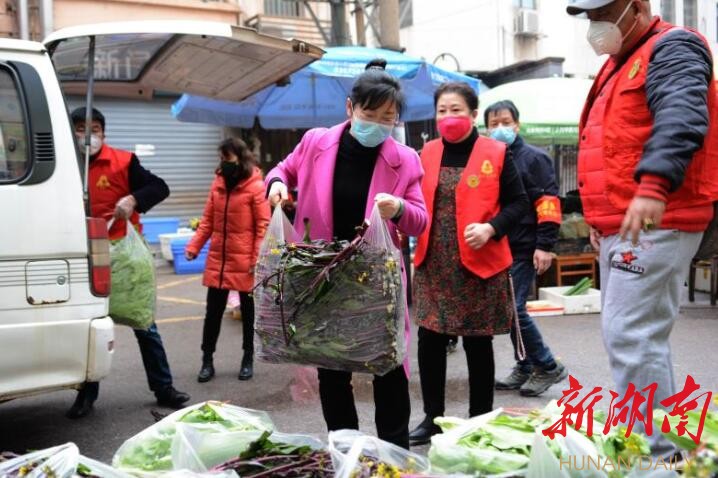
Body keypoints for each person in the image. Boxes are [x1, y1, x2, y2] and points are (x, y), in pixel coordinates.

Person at [567, 0, 718, 457]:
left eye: (602, 14)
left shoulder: (673, 47)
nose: (595, 26)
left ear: (637, 8)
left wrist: (654, 184)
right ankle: (667, 448)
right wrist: (601, 220)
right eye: (588, 18)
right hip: (626, 223)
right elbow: (613, 145)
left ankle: (656, 457)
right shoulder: (619, 65)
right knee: (638, 337)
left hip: (658, 214)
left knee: (630, 334)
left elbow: (683, 113)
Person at [265, 59, 428, 449]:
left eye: (387, 117)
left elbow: (420, 221)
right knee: (333, 370)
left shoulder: (405, 160)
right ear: (350, 108)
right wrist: (274, 186)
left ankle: (394, 456)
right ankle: (345, 451)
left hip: (375, 280)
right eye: (369, 114)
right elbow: (281, 171)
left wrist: (400, 210)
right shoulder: (315, 142)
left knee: (388, 369)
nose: (377, 124)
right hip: (322, 274)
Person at [408, 82, 529, 445]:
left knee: (478, 344)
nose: (449, 116)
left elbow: (520, 204)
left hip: (480, 265)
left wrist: (493, 227)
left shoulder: (497, 152)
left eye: (456, 109)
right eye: (442, 110)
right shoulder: (425, 154)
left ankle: (481, 419)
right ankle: (433, 417)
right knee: (430, 342)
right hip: (434, 263)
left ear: (474, 114)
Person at [67, 107, 190, 419]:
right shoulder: (64, 166)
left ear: (104, 133)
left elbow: (159, 187)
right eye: (81, 129)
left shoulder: (124, 161)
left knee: (145, 325)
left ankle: (164, 389)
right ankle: (86, 394)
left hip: (123, 255)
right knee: (89, 328)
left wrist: (133, 199)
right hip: (81, 258)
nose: (88, 136)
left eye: (94, 129)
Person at [485, 100, 568, 397]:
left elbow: (548, 202)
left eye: (505, 122)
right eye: (493, 124)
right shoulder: (489, 159)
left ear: (517, 124)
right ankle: (524, 365)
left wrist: (545, 245)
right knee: (507, 311)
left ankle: (547, 365)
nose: (499, 128)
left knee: (515, 309)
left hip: (524, 245)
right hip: (499, 245)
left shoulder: (535, 158)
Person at [186, 138, 270, 382]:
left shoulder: (255, 187)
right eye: (221, 159)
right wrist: (193, 247)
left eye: (228, 159)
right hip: (219, 259)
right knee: (212, 313)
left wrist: (256, 258)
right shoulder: (218, 184)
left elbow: (262, 226)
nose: (224, 164)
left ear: (240, 158)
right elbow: (208, 220)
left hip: (246, 261)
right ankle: (207, 360)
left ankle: (247, 358)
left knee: (248, 313)